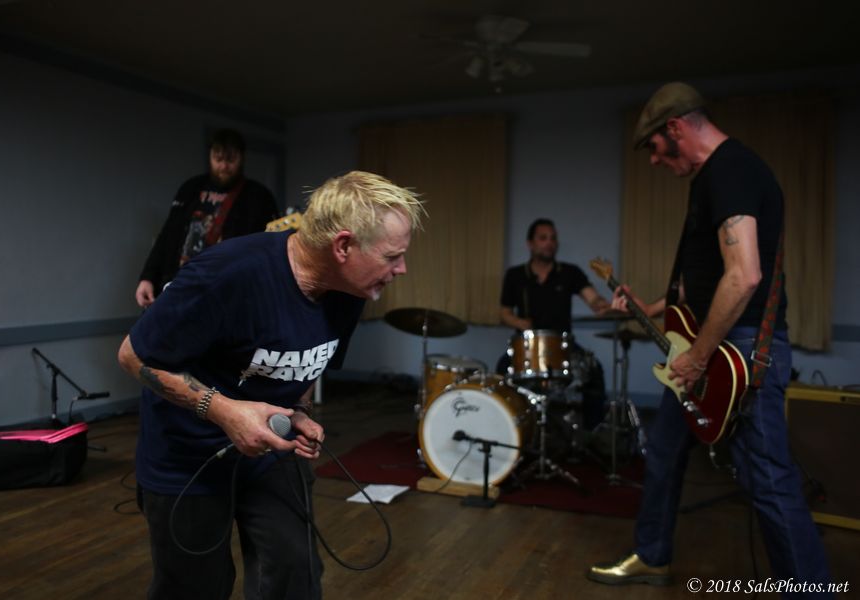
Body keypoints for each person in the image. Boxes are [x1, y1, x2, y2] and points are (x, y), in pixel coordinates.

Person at [117, 171, 425, 599]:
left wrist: (298, 411)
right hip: (188, 457)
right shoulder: (226, 274)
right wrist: (225, 411)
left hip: (271, 456)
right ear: (343, 246)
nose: (401, 269)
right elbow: (133, 356)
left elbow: (306, 359)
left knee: (295, 576)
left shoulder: (351, 288)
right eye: (392, 256)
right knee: (196, 587)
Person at [587, 82, 831, 596]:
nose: (654, 160)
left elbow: (743, 277)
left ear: (676, 128)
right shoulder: (709, 180)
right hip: (702, 345)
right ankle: (652, 554)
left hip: (738, 350)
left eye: (655, 147)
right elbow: (700, 286)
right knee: (663, 453)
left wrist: (697, 358)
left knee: (768, 480)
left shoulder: (732, 170)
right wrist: (651, 307)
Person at [134, 128, 280, 308]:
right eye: (218, 159)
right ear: (210, 156)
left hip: (227, 292)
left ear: (242, 158)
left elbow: (268, 250)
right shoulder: (190, 188)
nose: (224, 166)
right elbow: (167, 235)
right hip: (178, 285)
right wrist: (148, 277)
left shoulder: (258, 196)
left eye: (231, 160)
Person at [499, 218, 612, 434]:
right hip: (527, 346)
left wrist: (603, 304)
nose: (549, 243)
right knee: (501, 370)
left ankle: (592, 434)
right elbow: (504, 313)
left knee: (594, 371)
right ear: (530, 243)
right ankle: (512, 432)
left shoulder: (570, 272)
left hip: (563, 345)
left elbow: (593, 299)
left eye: (553, 238)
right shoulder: (515, 275)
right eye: (543, 238)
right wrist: (520, 323)